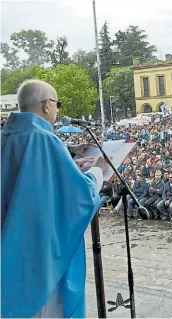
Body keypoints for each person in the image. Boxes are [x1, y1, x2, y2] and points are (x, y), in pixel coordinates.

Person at [2, 79, 108, 317]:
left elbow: (34, 173)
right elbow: (79, 195)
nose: (57, 109)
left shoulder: (7, 136)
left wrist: (70, 154)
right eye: (57, 103)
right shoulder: (45, 140)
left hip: (10, 241)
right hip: (38, 248)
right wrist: (97, 170)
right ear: (47, 105)